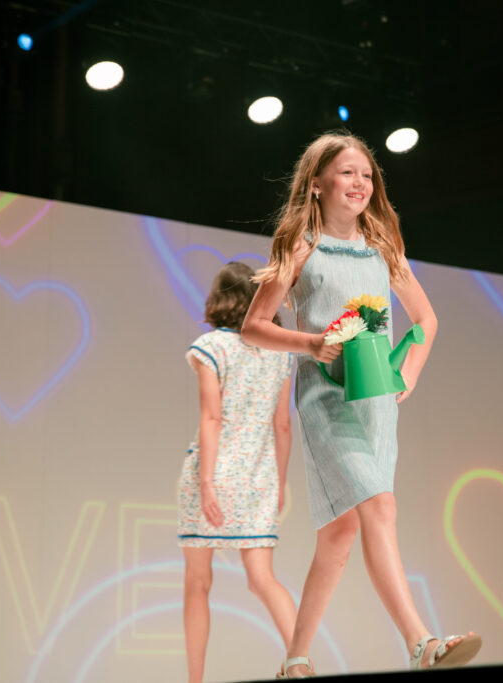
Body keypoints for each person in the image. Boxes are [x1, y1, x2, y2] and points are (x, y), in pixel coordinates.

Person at [242, 132, 482, 678]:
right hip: (325, 396)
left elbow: (426, 320)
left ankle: (295, 660)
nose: (360, 184)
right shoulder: (301, 247)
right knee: (380, 507)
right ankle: (421, 643)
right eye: (348, 173)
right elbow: (254, 327)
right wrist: (310, 343)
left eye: (367, 175)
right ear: (318, 182)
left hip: (376, 400)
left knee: (339, 534)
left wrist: (409, 373)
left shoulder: (384, 250)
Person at [178, 262, 298, 683]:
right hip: (258, 476)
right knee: (264, 580)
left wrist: (207, 482)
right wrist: (280, 483)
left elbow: (211, 418)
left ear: (219, 300)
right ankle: (300, 663)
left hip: (212, 472)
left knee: (198, 582)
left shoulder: (211, 347)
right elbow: (282, 425)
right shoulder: (279, 353)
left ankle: (196, 680)